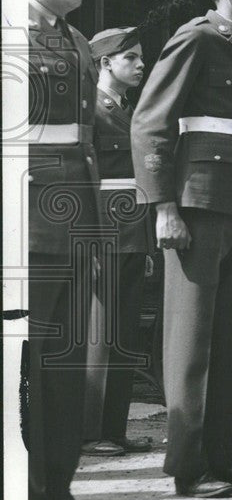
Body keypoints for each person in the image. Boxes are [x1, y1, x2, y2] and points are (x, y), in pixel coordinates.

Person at [131, 0, 232, 498]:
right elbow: (150, 123)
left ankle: (227, 460)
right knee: (192, 342)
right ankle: (188, 467)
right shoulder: (197, 37)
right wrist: (164, 206)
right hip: (195, 206)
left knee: (231, 339)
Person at [25, 0, 122, 500]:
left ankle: (55, 495)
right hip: (24, 225)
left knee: (61, 370)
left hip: (71, 222)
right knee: (22, 370)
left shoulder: (80, 43)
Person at [82, 27, 156, 458]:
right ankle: (91, 432)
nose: (140, 65)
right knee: (99, 333)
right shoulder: (90, 110)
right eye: (131, 57)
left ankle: (114, 428)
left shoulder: (129, 111)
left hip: (131, 234)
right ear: (106, 63)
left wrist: (145, 243)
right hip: (103, 233)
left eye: (141, 57)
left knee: (124, 334)